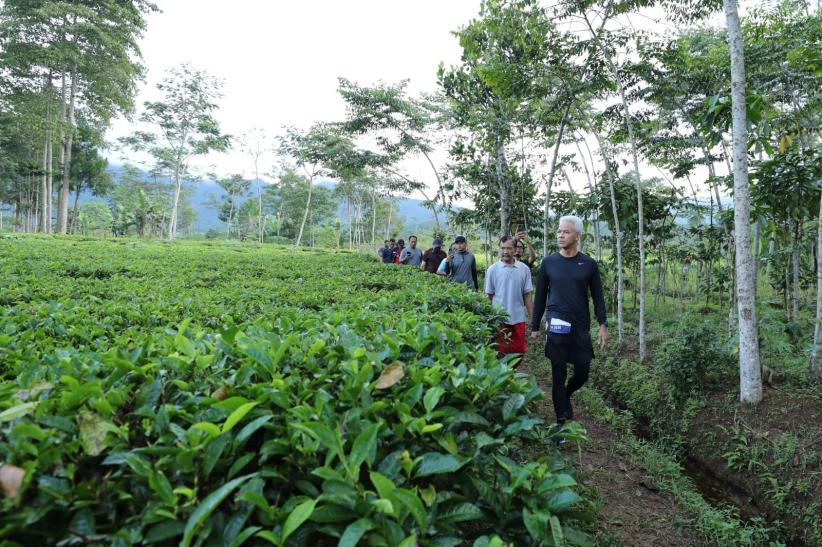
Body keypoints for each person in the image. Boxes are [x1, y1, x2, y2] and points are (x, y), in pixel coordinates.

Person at [530, 215, 607, 435]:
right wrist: (535, 326)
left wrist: (603, 324)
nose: (560, 235)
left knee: (582, 373)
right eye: (558, 231)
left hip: (580, 326)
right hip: (556, 325)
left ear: (577, 236)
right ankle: (561, 424)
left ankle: (565, 394)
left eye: (565, 232)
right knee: (558, 373)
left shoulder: (589, 264)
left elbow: (598, 297)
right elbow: (540, 297)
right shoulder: (549, 263)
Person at [484, 236, 533, 360]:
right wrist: (487, 319)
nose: (505, 251)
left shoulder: (524, 269)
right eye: (503, 248)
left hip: (518, 317)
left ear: (515, 249)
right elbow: (488, 296)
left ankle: (511, 373)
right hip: (499, 318)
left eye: (509, 248)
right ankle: (505, 376)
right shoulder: (493, 269)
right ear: (499, 249)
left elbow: (527, 295)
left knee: (519, 350)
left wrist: (533, 318)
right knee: (501, 351)